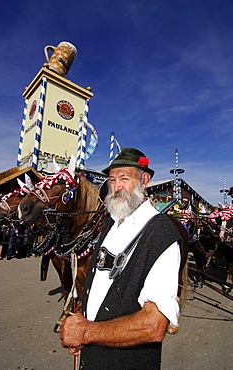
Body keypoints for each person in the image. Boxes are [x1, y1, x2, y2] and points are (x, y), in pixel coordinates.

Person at [60, 148, 185, 370]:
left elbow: (153, 325)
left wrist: (84, 332)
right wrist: (80, 323)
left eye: (124, 178)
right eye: (112, 179)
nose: (116, 187)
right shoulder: (110, 223)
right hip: (93, 355)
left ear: (144, 180)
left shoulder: (160, 233)